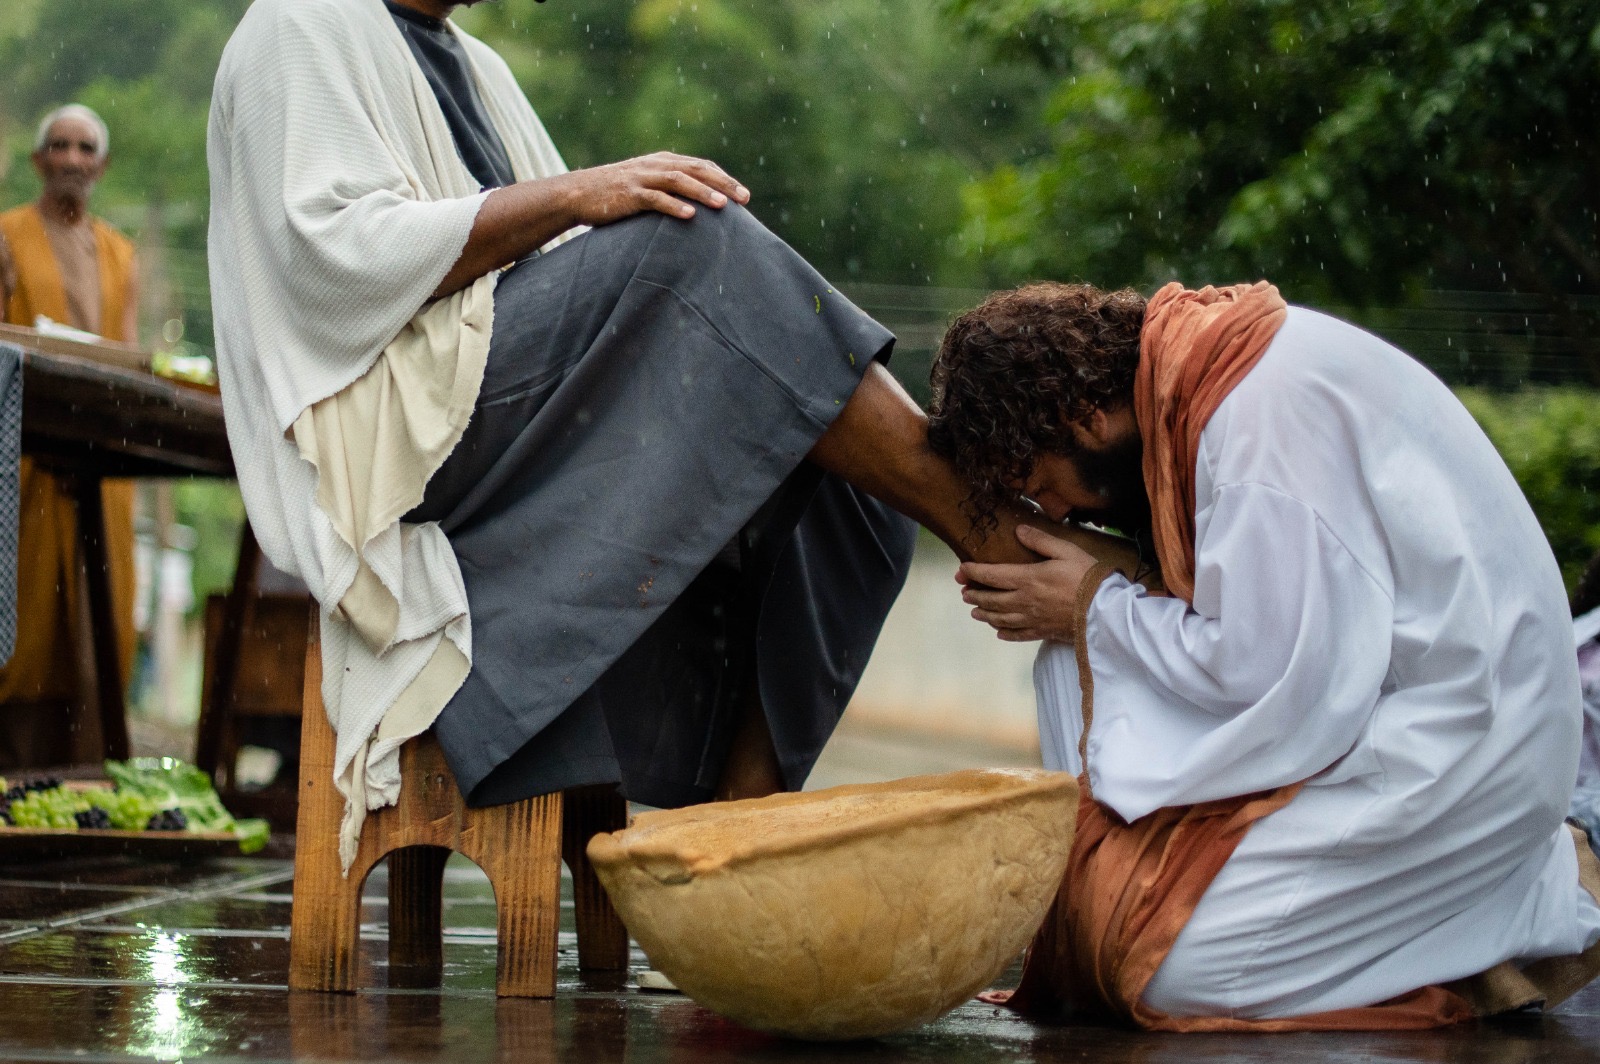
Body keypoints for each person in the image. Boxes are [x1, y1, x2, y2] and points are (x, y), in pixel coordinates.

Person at [208, 0, 1053, 864]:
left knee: (835, 447)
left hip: (503, 408)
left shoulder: (480, 67)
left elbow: (574, 275)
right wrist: (578, 191)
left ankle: (737, 843)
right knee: (704, 251)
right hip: (394, 445)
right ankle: (990, 521)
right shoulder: (298, 24)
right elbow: (331, 264)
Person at [929, 281, 1600, 1029]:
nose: (1055, 513)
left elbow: (1287, 686)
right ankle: (1438, 920)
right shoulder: (1210, 387)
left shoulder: (1255, 422)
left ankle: (1528, 902)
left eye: (1041, 487)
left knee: (1165, 975)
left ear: (1083, 417)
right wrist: (1090, 614)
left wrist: (1095, 604)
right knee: (1067, 661)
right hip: (1386, 712)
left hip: (1464, 750)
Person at [0, 104, 139, 768]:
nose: (72, 158)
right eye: (59, 145)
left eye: (86, 147)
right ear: (38, 161)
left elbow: (131, 350)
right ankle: (16, 774)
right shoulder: (5, 236)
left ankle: (88, 775)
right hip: (23, 454)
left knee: (97, 617)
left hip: (99, 461)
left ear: (102, 166)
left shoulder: (120, 253)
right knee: (25, 617)